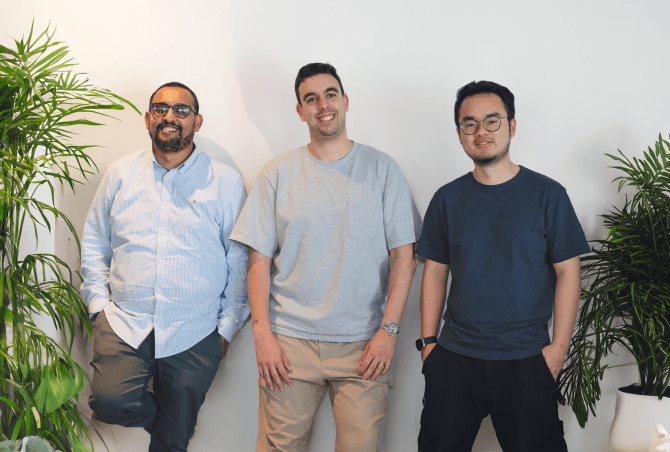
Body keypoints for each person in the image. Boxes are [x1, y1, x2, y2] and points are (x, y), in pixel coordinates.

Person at [230, 63, 422, 452]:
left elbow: (406, 257)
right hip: (289, 346)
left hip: (364, 345)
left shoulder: (382, 170)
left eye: (330, 94)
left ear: (345, 101)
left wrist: (388, 332)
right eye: (310, 99)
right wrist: (263, 334)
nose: (323, 105)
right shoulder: (277, 174)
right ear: (300, 111)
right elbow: (258, 262)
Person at [416, 80, 590, 451]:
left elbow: (568, 271)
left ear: (512, 126)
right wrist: (429, 344)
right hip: (455, 358)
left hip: (527, 358)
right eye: (470, 123)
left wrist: (558, 347)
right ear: (460, 132)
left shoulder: (548, 196)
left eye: (492, 121)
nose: (481, 132)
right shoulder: (447, 199)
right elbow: (434, 271)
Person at [80, 82, 249, 451]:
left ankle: (173, 431)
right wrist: (98, 307)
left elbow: (238, 258)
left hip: (196, 328)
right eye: (160, 108)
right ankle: (172, 425)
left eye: (181, 110)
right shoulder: (120, 174)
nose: (169, 116)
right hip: (126, 321)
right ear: (147, 118)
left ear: (197, 121)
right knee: (110, 403)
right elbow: (95, 240)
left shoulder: (225, 182)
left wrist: (226, 328)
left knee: (172, 445)